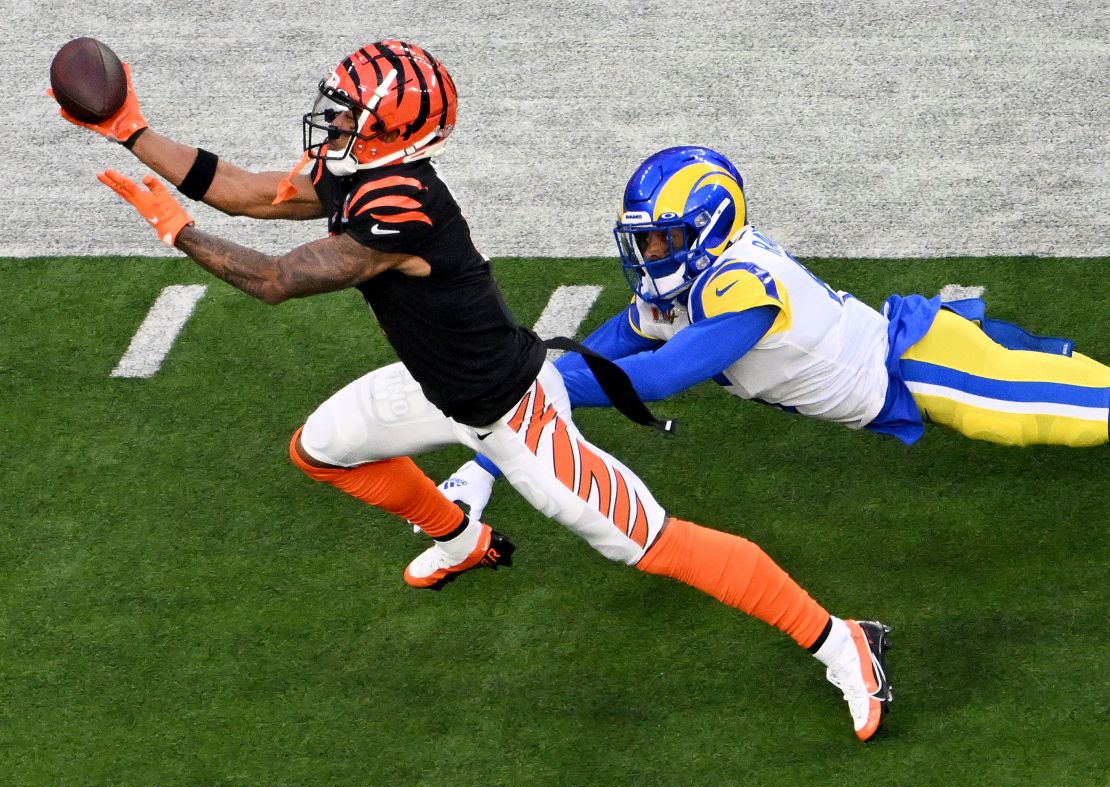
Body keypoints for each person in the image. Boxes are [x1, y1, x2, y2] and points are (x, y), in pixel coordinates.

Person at [53, 42, 892, 741]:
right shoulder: (359, 168)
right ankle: (460, 535)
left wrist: (178, 231)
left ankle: (841, 640)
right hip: (435, 387)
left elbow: (274, 280)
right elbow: (242, 187)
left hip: (515, 413)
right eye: (337, 103)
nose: (333, 118)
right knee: (320, 452)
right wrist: (131, 130)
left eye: (350, 110)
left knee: (654, 543)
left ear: (390, 131)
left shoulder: (402, 206)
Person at [433, 146, 1110, 522]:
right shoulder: (692, 282)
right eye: (645, 240)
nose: (651, 254)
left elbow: (660, 376)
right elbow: (615, 343)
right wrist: (484, 462)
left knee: (1055, 415)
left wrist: (530, 381)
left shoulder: (741, 284)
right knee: (1063, 386)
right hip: (909, 361)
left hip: (919, 366)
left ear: (709, 226)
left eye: (665, 237)